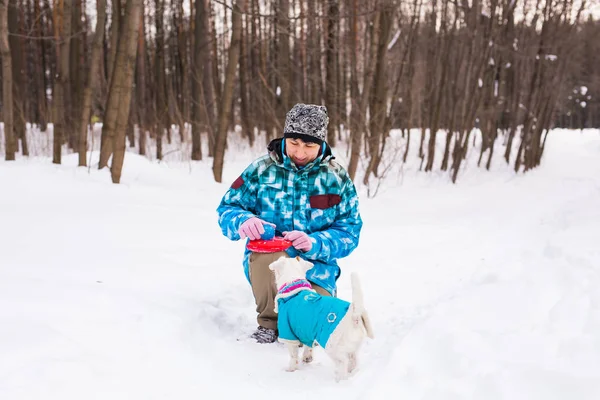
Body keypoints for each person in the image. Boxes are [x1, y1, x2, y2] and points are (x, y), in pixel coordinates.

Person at [216, 103, 363, 343]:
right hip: (271, 264)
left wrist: (315, 242)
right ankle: (269, 324)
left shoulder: (337, 178)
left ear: (322, 144)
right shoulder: (260, 170)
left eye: (309, 145)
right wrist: (243, 220)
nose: (300, 153)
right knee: (270, 260)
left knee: (310, 323)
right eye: (294, 143)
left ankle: (299, 324)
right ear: (285, 137)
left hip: (316, 267)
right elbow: (227, 209)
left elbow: (350, 231)